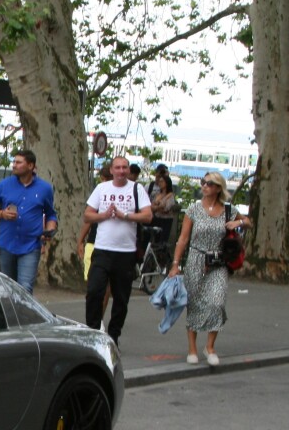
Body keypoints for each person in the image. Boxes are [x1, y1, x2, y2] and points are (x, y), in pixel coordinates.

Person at [168, 171, 251, 365]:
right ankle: (192, 349)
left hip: (219, 262)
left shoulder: (228, 209)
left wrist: (238, 222)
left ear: (218, 188)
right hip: (196, 260)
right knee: (195, 303)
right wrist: (175, 264)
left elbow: (248, 222)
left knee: (217, 302)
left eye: (209, 184)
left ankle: (210, 346)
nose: (204, 186)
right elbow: (183, 238)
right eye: (203, 182)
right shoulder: (194, 209)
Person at [83, 155, 152, 343]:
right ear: (111, 170)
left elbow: (147, 216)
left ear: (128, 170)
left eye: (124, 168)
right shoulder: (101, 188)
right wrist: (104, 215)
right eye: (118, 168)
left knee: (121, 298)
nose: (121, 171)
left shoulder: (137, 189)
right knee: (94, 291)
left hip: (126, 252)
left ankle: (113, 336)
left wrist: (126, 216)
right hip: (103, 249)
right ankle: (93, 332)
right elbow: (87, 216)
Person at [0, 148, 58, 294]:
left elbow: (51, 215)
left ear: (30, 166)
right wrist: (2, 214)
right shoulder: (4, 185)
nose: (14, 165)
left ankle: (24, 317)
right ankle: (10, 317)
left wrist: (50, 229)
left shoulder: (45, 188)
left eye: (18, 162)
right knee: (8, 288)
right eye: (14, 162)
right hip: (6, 244)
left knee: (25, 289)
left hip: (30, 245)